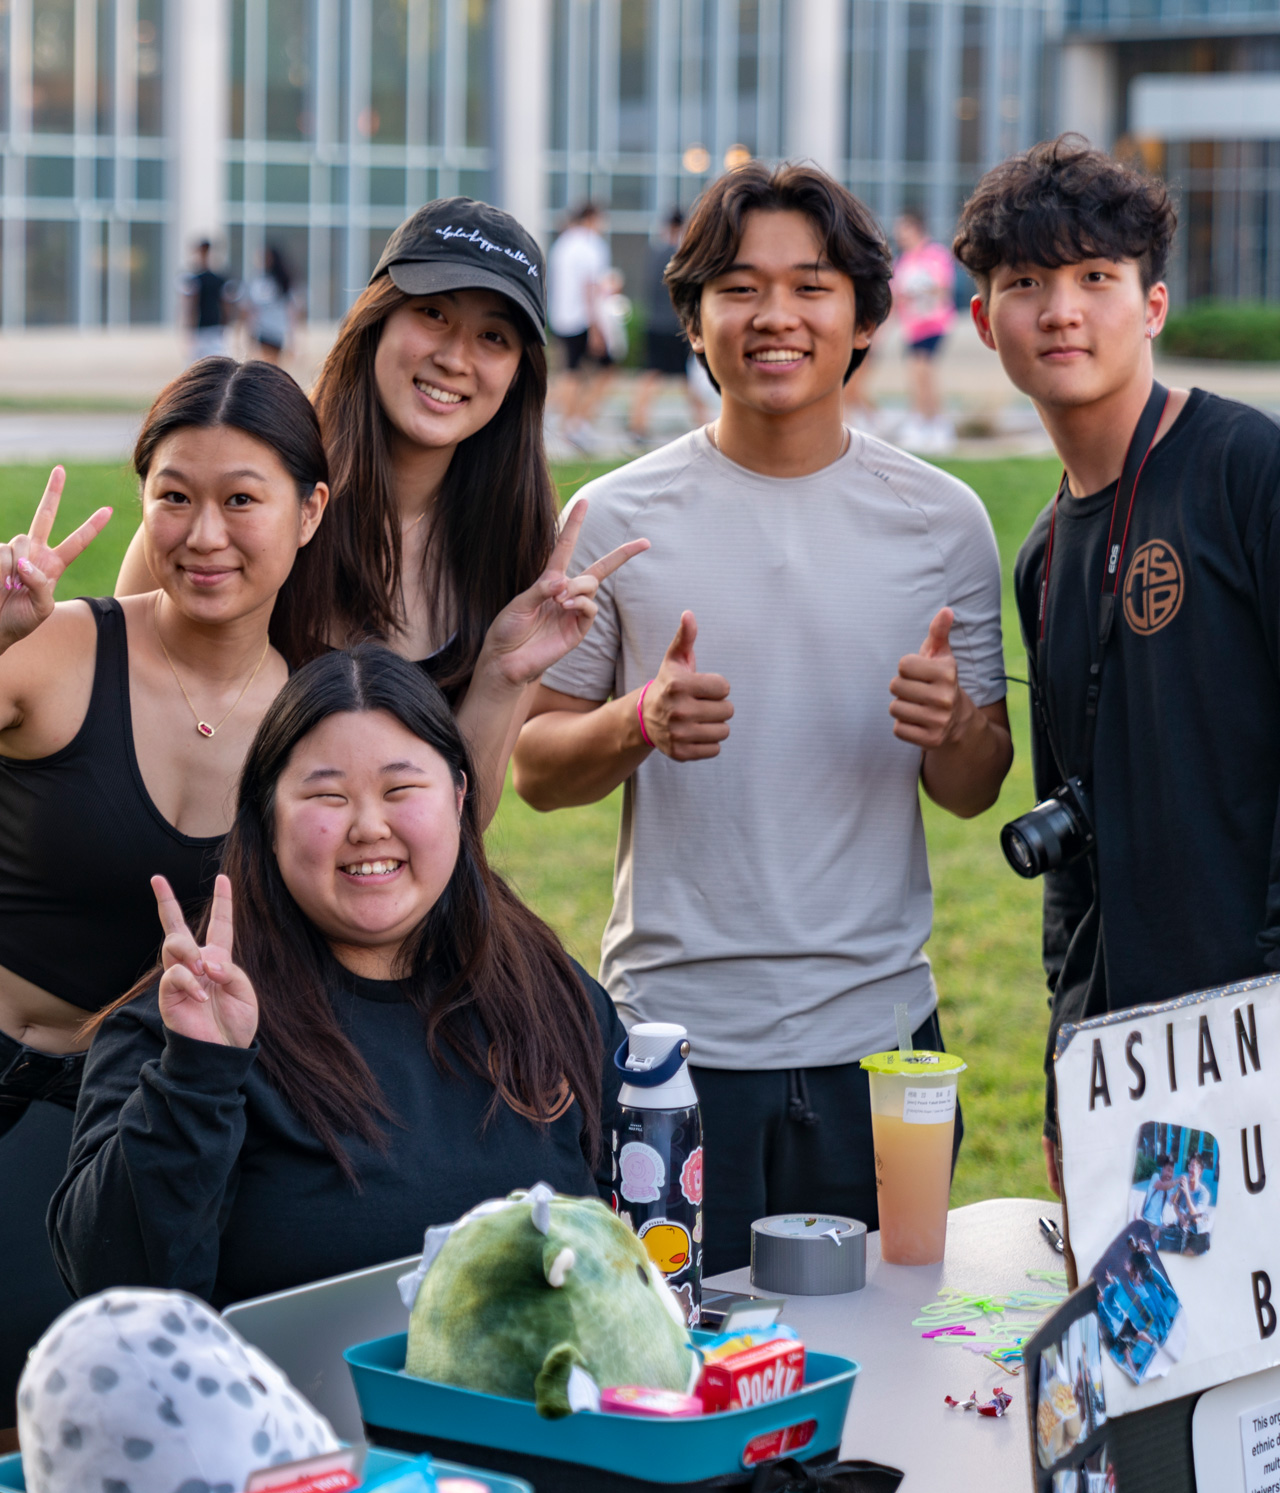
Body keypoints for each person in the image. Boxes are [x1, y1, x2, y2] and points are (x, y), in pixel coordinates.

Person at [513, 162, 1012, 1275]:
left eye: (811, 286)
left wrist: (949, 728)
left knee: (888, 1366)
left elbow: (974, 786)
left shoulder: (942, 521)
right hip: (673, 1041)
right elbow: (536, 770)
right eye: (737, 288)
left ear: (865, 318)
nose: (774, 316)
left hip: (883, 1043)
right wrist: (633, 721)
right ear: (691, 320)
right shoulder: (614, 517)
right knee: (677, 1366)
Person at [52, 646, 626, 1307]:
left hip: (548, 1404)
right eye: (327, 796)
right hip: (295, 1408)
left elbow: (647, 1227)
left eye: (402, 789)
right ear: (266, 818)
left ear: (460, 797)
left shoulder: (548, 992)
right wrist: (197, 1076)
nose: (368, 826)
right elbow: (116, 1294)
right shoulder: (190, 1022)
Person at [0, 357, 332, 1422]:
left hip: (115, 1108)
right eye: (174, 497)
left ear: (308, 511)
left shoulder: (307, 728)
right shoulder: (56, 647)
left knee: (72, 1418)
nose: (204, 534)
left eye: (242, 500)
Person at [954, 135, 1280, 1199]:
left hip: (1255, 1050)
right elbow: (1070, 842)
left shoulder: (1246, 468)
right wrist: (1068, 1055)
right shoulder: (1041, 554)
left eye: (1095, 277)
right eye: (1025, 284)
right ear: (981, 322)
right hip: (1124, 1072)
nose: (1060, 309)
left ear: (1149, 306)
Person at [118, 197, 646, 826]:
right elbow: (123, 720)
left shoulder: (515, 551)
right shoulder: (250, 481)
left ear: (517, 375)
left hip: (376, 910)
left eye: (493, 336)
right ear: (377, 320)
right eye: (432, 313)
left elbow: (461, 825)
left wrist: (500, 680)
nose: (455, 356)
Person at [627, 211, 710, 447]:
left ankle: (637, 425)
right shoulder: (680, 255)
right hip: (674, 325)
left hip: (653, 323)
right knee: (687, 377)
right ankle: (704, 425)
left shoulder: (654, 253)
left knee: (652, 377)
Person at [548, 202, 615, 452]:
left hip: (560, 316)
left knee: (570, 372)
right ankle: (576, 423)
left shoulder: (562, 243)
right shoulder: (590, 244)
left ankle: (569, 424)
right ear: (592, 218)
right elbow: (590, 286)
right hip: (583, 317)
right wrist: (597, 327)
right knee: (602, 370)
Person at [891, 211, 957, 453]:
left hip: (933, 324)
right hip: (912, 327)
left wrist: (918, 294)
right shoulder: (903, 261)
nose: (899, 235)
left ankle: (937, 424)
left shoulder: (935, 255)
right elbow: (897, 295)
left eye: (903, 229)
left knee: (925, 373)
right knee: (915, 375)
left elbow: (942, 289)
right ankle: (920, 421)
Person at [181, 240, 235, 362]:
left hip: (213, 328)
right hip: (204, 328)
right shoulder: (196, 279)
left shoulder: (216, 279)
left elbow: (225, 304)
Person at [244, 245, 296, 364]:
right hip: (265, 330)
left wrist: (292, 339)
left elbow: (291, 312)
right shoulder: (261, 282)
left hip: (276, 330)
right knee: (267, 367)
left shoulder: (281, 282)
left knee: (271, 368)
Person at [1138, 1153, 1176, 1228]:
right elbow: (1161, 1186)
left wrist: (1180, 1189)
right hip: (1146, 1221)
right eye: (1168, 1170)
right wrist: (1177, 1181)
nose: (1170, 1174)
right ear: (1163, 1169)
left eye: (1172, 1172)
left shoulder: (1170, 1187)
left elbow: (1172, 1201)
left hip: (1158, 1225)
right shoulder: (1156, 1177)